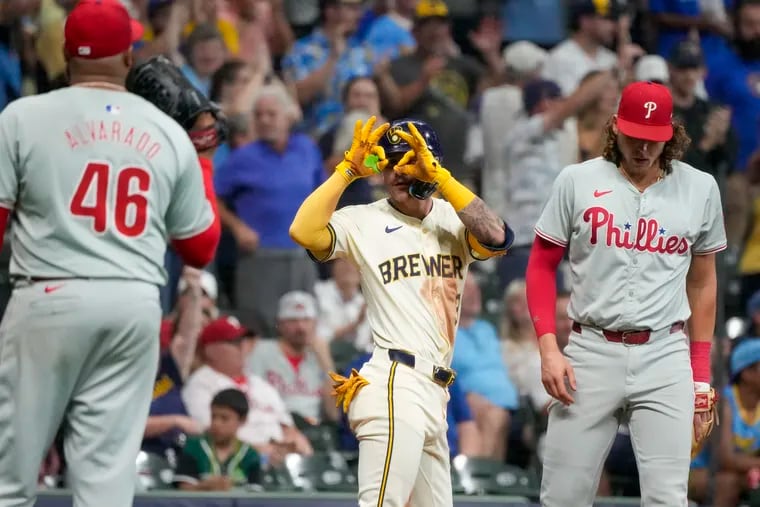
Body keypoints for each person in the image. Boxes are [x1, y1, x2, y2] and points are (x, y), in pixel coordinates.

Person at [0, 1, 221, 506]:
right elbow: (200, 248)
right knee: (104, 483)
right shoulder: (166, 130)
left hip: (48, 294)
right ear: (128, 55)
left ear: (63, 52)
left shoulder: (22, 116)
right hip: (133, 304)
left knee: (9, 478)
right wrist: (201, 159)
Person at [289, 116, 513, 507]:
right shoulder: (365, 219)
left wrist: (442, 180)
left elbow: (497, 236)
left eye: (408, 160)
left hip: (435, 391)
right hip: (395, 382)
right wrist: (346, 173)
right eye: (390, 162)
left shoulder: (451, 216)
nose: (397, 171)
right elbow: (304, 232)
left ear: (432, 164)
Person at [525, 81, 725, 506]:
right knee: (562, 496)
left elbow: (704, 281)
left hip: (665, 352)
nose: (643, 148)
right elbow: (542, 265)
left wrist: (701, 375)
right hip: (590, 349)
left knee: (668, 498)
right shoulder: (577, 180)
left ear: (670, 134)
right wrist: (548, 347)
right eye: (635, 136)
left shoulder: (700, 188)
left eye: (653, 140)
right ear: (616, 126)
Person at [174, 388, 262, 492]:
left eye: (224, 418)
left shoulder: (251, 455)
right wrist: (206, 487)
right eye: (213, 416)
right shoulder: (193, 447)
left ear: (242, 420)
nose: (216, 424)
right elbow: (182, 492)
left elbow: (255, 497)